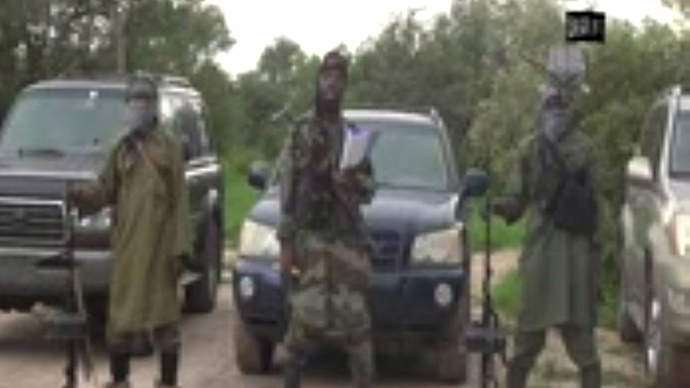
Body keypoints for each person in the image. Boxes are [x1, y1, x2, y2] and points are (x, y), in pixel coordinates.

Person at [68, 73, 191, 388]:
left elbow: (180, 202)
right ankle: (119, 381)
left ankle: (167, 381)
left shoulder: (169, 147)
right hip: (128, 248)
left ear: (154, 105)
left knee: (165, 322)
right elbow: (104, 189)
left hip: (161, 248)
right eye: (133, 101)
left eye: (144, 100)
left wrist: (179, 249)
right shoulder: (120, 148)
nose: (138, 106)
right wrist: (81, 196)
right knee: (120, 321)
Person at [491, 46, 603, 388]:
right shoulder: (531, 148)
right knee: (527, 344)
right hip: (550, 254)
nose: (555, 111)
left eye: (560, 104)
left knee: (582, 349)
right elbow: (517, 199)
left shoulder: (585, 149)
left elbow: (598, 209)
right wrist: (498, 206)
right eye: (551, 104)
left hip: (572, 256)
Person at [278, 49, 376, 388]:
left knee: (357, 328)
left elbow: (369, 188)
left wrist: (349, 181)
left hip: (347, 239)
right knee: (301, 325)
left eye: (338, 77)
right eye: (326, 76)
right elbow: (288, 192)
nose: (331, 83)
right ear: (318, 81)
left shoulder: (355, 135)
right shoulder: (301, 131)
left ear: (345, 85)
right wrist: (285, 243)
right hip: (312, 240)